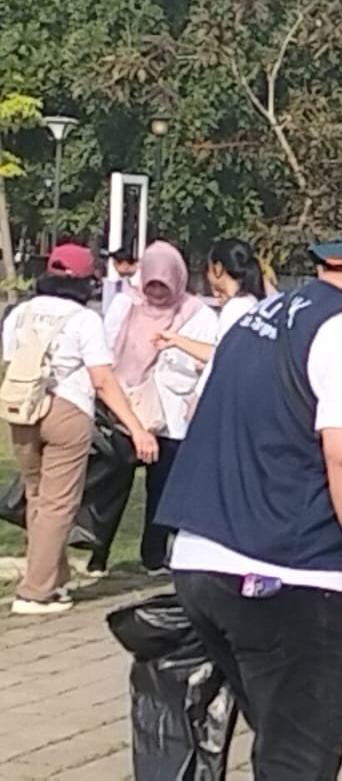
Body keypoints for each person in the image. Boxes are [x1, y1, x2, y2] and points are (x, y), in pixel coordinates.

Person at [156, 207, 342, 778]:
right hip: (292, 574)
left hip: (201, 562)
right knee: (297, 762)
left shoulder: (263, 316)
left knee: (275, 739)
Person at [4, 245, 158, 615]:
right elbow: (102, 379)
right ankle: (35, 592)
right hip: (67, 410)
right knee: (59, 504)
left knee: (37, 495)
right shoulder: (83, 319)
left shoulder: (20, 312)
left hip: (22, 408)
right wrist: (136, 427)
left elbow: (9, 361)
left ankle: (53, 581)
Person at [95, 241, 219, 575]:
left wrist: (175, 355)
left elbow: (209, 359)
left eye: (164, 286)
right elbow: (106, 352)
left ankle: (153, 555)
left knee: (162, 490)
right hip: (124, 412)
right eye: (152, 285)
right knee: (112, 488)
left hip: (172, 418)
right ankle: (97, 555)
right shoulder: (125, 305)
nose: (158, 293)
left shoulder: (198, 314)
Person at [155, 238, 269, 368]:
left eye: (208, 269)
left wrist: (176, 340)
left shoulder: (236, 308)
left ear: (218, 268)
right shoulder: (251, 303)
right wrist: (175, 340)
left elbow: (221, 355)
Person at [102, 246, 140, 316]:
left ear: (124, 264)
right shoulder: (125, 280)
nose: (116, 270)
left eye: (115, 266)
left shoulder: (143, 277)